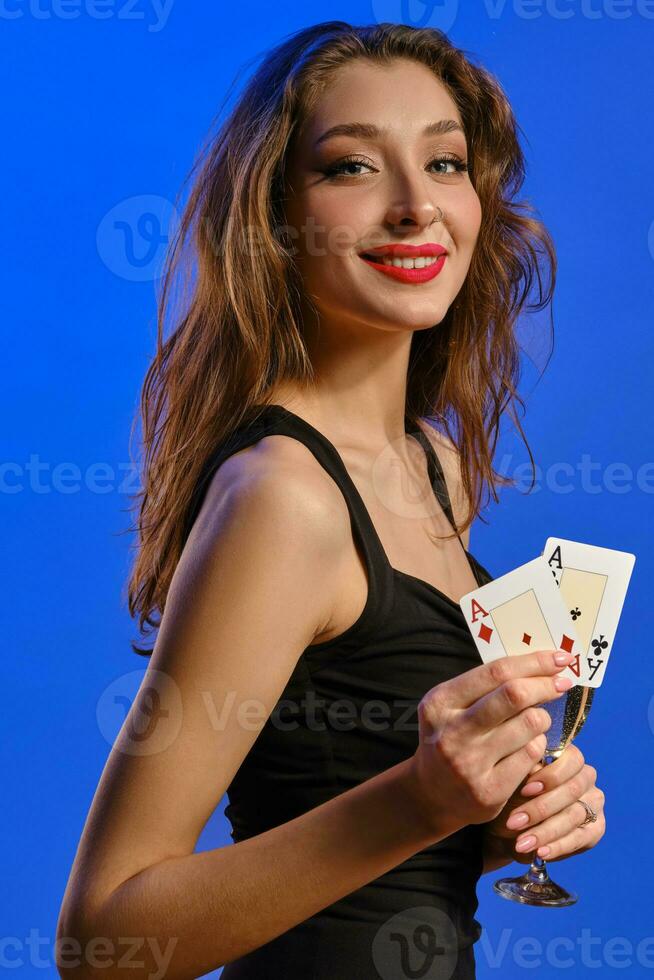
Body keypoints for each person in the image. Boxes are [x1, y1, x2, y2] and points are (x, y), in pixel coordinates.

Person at [56, 21, 606, 980]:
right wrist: (423, 801)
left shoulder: (435, 465)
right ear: (276, 216)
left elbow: (367, 843)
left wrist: (493, 821)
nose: (415, 207)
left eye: (444, 161)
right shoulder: (284, 497)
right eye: (353, 168)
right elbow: (103, 938)